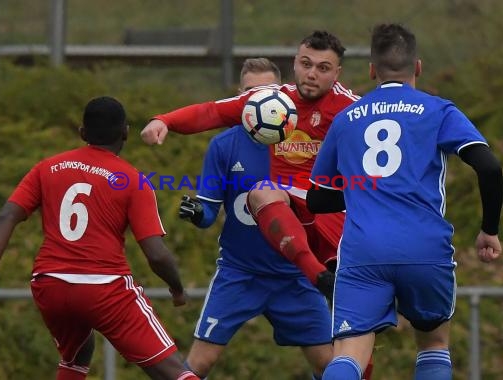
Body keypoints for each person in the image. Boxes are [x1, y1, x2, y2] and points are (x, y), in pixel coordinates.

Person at [307, 23, 503, 380]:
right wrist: (489, 230)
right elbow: (488, 167)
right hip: (424, 246)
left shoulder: (346, 119)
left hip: (363, 249)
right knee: (432, 343)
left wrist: (363, 193)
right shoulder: (439, 111)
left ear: (371, 70)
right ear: (418, 67)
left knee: (349, 353)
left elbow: (318, 199)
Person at [0, 96, 200, 380]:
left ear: (82, 133)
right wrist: (177, 288)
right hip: (104, 289)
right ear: (125, 132)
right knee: (173, 372)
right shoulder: (132, 180)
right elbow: (156, 253)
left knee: (77, 353)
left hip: (50, 285)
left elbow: (6, 217)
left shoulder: (47, 168)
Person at [141, 30, 357, 301]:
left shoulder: (351, 109)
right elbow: (213, 112)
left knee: (350, 320)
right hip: (287, 209)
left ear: (337, 73)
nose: (312, 73)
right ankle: (318, 277)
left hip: (329, 209)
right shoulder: (271, 102)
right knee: (261, 191)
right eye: (306, 64)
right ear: (295, 63)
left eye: (323, 68)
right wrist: (164, 121)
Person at [178, 58, 334, 380]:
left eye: (268, 92)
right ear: (239, 97)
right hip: (240, 273)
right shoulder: (223, 145)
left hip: (295, 275)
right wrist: (197, 213)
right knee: (200, 363)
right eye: (251, 93)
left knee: (331, 365)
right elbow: (209, 213)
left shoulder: (306, 142)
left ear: (284, 96)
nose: (260, 101)